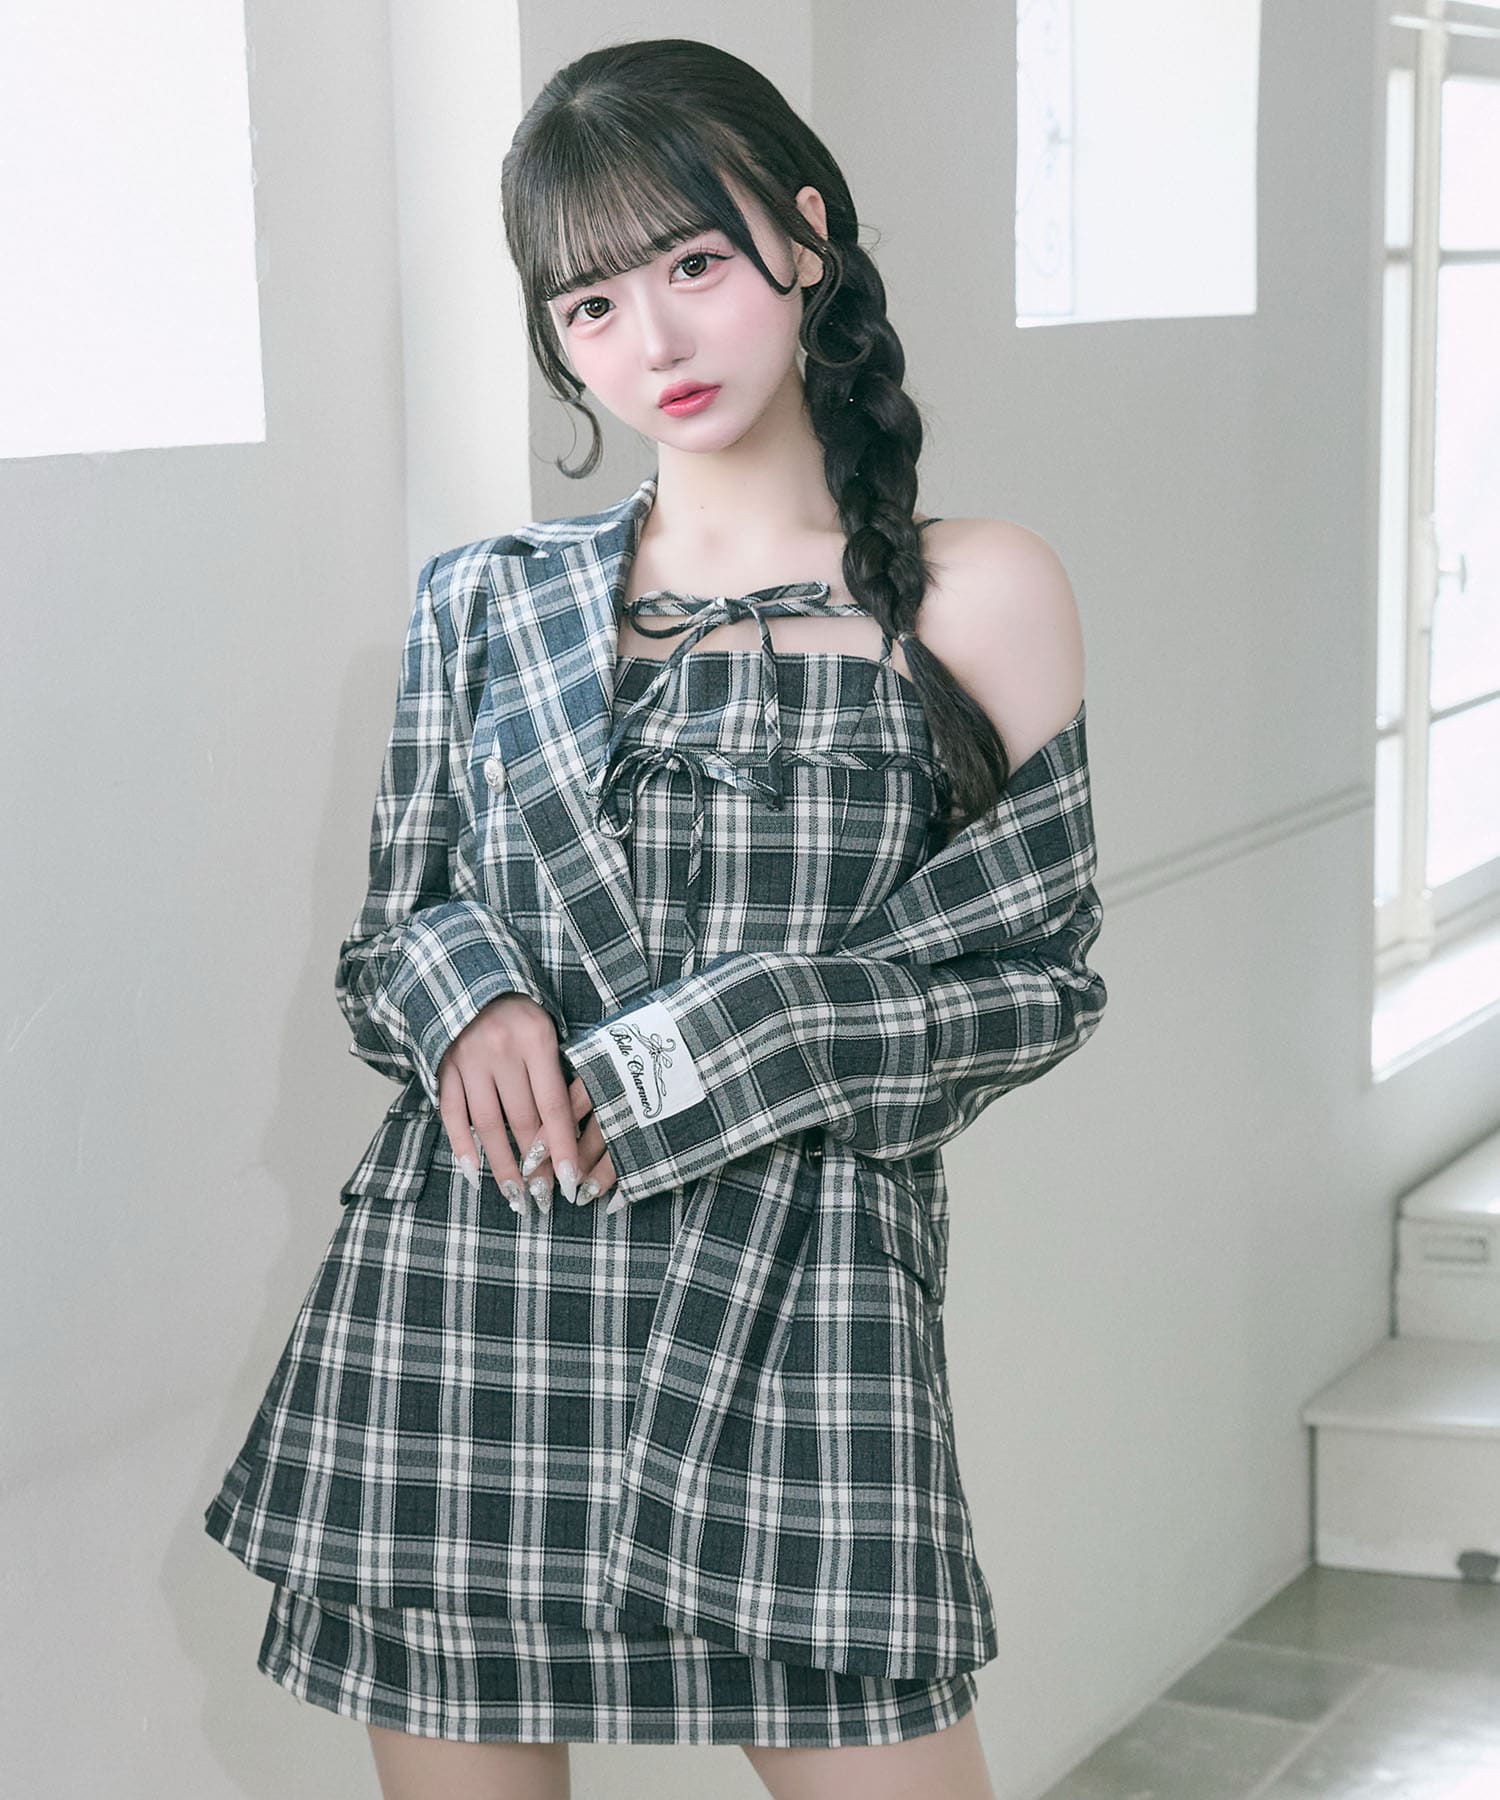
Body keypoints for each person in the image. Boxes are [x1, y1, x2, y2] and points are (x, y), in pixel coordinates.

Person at [203, 35, 1107, 1800]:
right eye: (593, 304)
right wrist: (470, 998)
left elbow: (1035, 982)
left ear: (807, 236)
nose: (655, 343)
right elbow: (393, 933)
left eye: (695, 263)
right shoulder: (489, 600)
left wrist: (743, 1033)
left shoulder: (978, 592)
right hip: (469, 1299)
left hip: (796, 1315)